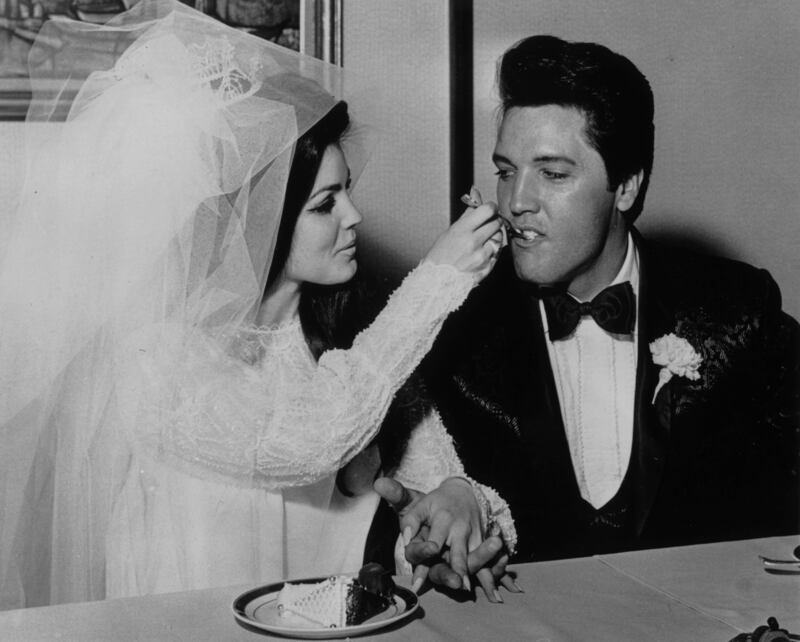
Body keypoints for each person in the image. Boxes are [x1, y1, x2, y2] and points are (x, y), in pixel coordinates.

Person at [0, 0, 516, 608]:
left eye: (347, 192)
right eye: (325, 204)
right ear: (258, 222)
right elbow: (307, 439)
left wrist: (460, 501)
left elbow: (438, 477)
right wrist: (438, 279)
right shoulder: (158, 355)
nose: (354, 217)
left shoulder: (350, 342)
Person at [415, 35, 799, 563]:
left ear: (626, 187)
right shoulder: (457, 328)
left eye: (552, 174)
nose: (516, 202)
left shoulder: (735, 308)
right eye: (506, 172)